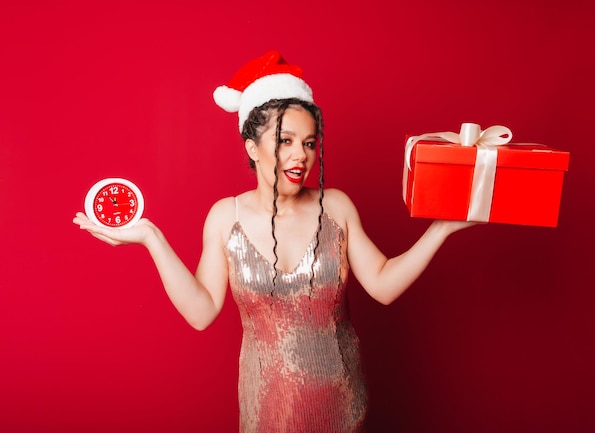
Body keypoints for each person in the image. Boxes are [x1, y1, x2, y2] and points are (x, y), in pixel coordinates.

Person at [73, 50, 474, 433]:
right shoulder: (224, 217)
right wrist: (150, 237)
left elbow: (384, 285)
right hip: (268, 412)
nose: (301, 155)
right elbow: (201, 312)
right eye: (285, 141)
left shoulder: (336, 206)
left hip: (342, 407)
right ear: (252, 147)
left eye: (309, 142)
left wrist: (441, 228)